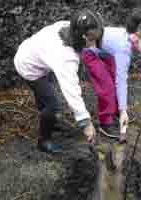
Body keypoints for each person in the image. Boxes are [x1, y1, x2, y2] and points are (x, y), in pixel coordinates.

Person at [13, 11, 103, 153]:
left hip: (37, 55)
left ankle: (49, 121)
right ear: (81, 36)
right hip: (29, 66)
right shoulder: (64, 57)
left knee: (44, 96)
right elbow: (71, 90)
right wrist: (85, 122)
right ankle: (44, 141)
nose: (94, 44)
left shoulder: (67, 26)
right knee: (52, 105)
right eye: (91, 39)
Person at [78, 10, 141, 143]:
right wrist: (124, 109)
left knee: (113, 78)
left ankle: (116, 110)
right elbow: (121, 81)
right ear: (140, 35)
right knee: (107, 87)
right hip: (90, 52)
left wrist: (122, 109)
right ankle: (105, 123)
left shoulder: (130, 38)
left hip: (106, 53)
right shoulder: (124, 48)